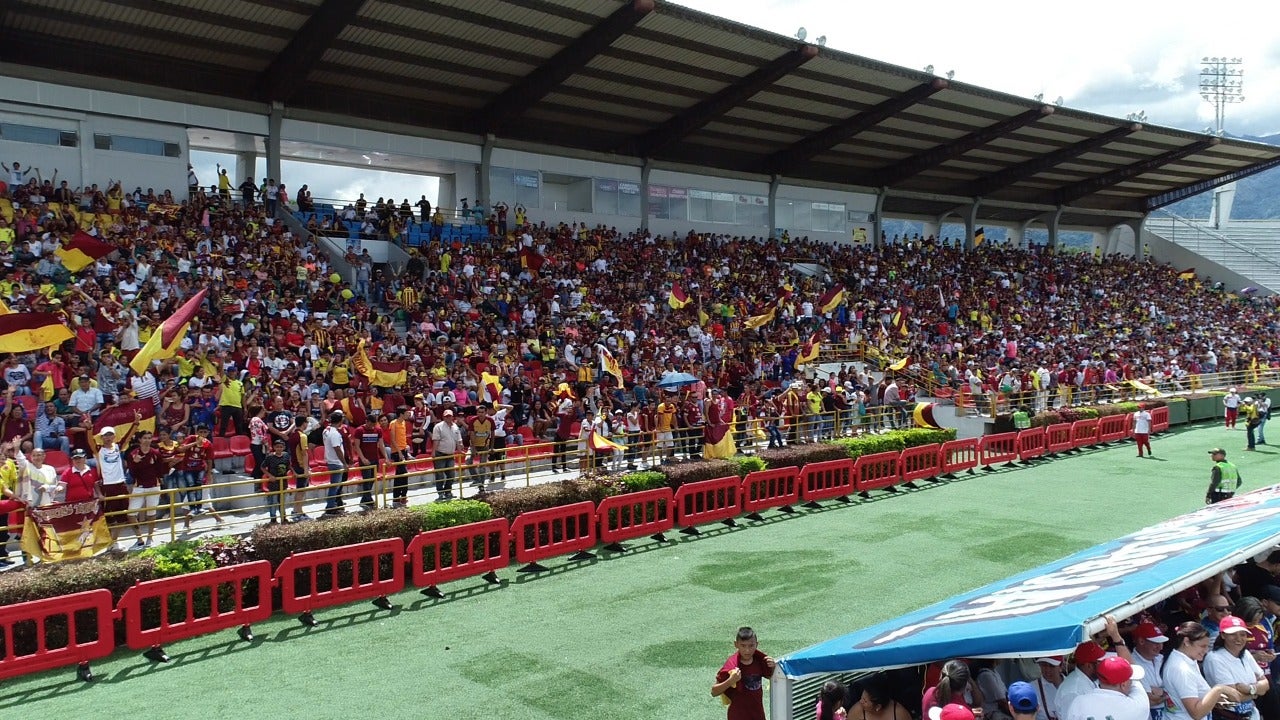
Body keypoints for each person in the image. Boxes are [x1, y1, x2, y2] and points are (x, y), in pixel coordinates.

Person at [1163, 621, 1245, 720]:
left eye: (1207, 646)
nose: (1206, 651)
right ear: (1187, 641)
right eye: (1202, 646)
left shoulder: (1188, 660)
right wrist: (1219, 689)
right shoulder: (1181, 669)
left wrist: (1214, 700)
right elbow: (1196, 713)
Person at [1202, 616, 1268, 720]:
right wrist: (1255, 694)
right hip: (1226, 715)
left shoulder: (1245, 654)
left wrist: (1249, 689)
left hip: (1250, 714)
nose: (1239, 639)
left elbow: (1266, 684)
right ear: (1223, 635)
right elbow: (1234, 697)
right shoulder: (1214, 658)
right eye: (1233, 634)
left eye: (1243, 634)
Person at [711, 626, 775, 720]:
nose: (747, 650)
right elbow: (714, 692)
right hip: (738, 716)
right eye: (743, 645)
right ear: (736, 644)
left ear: (757, 644)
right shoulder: (731, 665)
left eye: (751, 645)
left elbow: (769, 676)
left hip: (758, 714)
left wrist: (773, 667)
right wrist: (730, 680)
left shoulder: (760, 660)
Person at [1064, 656, 1149, 720]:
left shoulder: (1079, 702)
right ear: (1123, 684)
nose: (1131, 682)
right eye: (1130, 680)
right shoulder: (1137, 706)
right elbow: (1137, 685)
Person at [1130, 621, 1171, 720]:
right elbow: (1150, 700)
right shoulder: (1132, 664)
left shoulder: (1162, 658)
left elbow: (1177, 687)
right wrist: (1169, 693)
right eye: (1156, 643)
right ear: (1141, 641)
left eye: (1161, 643)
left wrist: (1161, 692)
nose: (1160, 647)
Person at [259, 437, 292, 523]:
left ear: (283, 447)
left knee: (282, 501)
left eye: (281, 447)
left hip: (283, 482)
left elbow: (289, 466)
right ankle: (273, 518)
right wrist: (269, 476)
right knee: (273, 501)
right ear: (274, 447)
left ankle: (283, 517)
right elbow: (262, 467)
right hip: (273, 483)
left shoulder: (286, 455)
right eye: (277, 447)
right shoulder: (270, 457)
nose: (279, 449)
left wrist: (293, 473)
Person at [431, 409, 462, 500]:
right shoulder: (438, 427)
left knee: (451, 474)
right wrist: (433, 452)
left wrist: (459, 449)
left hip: (450, 454)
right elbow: (436, 440)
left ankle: (448, 491)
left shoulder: (455, 426)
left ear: (452, 416)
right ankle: (440, 492)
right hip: (440, 453)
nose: (448, 417)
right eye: (446, 416)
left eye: (450, 416)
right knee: (440, 474)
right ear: (443, 417)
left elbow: (458, 440)